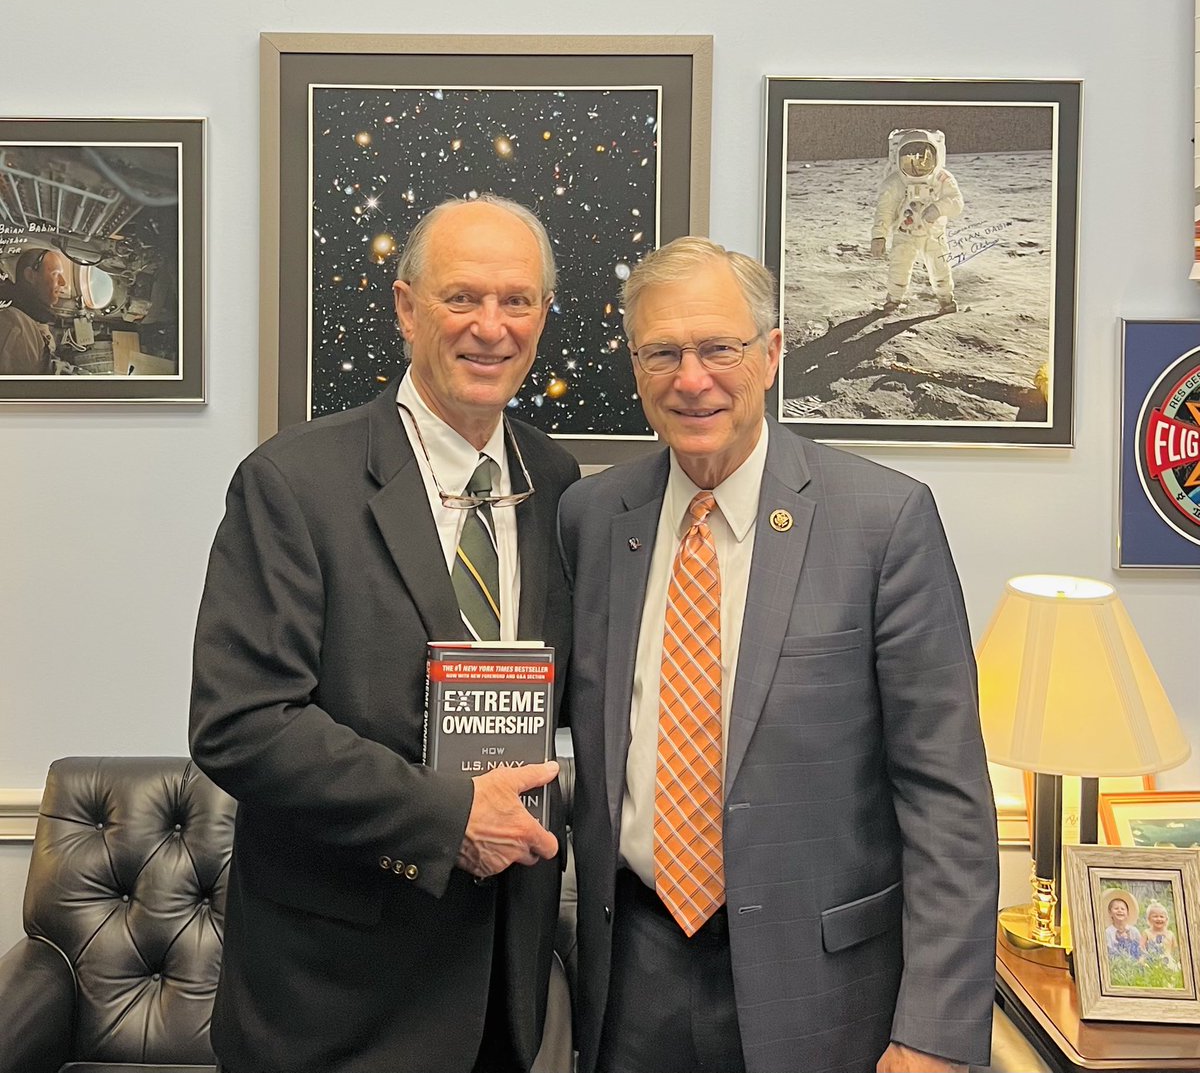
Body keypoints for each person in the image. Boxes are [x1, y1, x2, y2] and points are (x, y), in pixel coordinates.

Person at [559, 237, 999, 1073]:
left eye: (719, 347)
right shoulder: (591, 515)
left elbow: (946, 798)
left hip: (826, 990)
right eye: (663, 353)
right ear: (636, 364)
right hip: (631, 979)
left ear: (771, 352)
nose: (693, 379)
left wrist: (935, 1030)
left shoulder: (883, 521)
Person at [190, 194, 579, 1073]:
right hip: (334, 1003)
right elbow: (242, 720)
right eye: (461, 297)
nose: (491, 326)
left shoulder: (559, 484)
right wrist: (447, 818)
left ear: (543, 317)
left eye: (517, 300)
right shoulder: (294, 481)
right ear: (406, 307)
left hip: (501, 999)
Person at [871, 128, 964, 313]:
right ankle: (893, 300)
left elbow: (956, 202)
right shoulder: (896, 181)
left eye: (925, 158)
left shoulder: (942, 178)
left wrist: (938, 208)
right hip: (905, 233)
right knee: (899, 267)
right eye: (909, 159)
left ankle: (946, 300)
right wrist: (879, 236)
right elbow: (885, 210)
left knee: (940, 269)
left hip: (933, 234)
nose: (918, 165)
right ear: (899, 158)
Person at [0, 247, 69, 375]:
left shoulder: (35, 323)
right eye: (55, 274)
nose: (63, 282)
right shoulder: (14, 324)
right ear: (30, 276)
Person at [1103, 889, 1143, 961]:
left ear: (1127, 913)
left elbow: (1141, 949)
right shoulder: (1108, 932)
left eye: (1122, 909)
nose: (1119, 911)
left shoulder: (1134, 931)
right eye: (1116, 908)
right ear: (1110, 913)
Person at [1143, 901, 1178, 966]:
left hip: (1168, 963)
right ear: (1149, 919)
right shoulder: (1147, 933)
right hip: (1152, 962)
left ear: (1166, 919)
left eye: (1161, 917)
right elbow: (1141, 949)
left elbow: (1176, 951)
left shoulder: (1170, 934)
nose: (1159, 919)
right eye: (1155, 916)